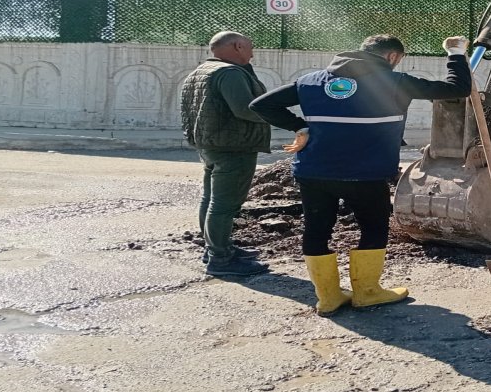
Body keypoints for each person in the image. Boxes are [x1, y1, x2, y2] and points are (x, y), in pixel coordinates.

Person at [250, 34, 471, 316]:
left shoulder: (312, 81)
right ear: (392, 57)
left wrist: (300, 127)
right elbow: (457, 89)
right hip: (366, 173)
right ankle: (367, 292)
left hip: (315, 171)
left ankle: (328, 297)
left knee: (316, 230)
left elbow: (261, 104)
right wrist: (455, 53)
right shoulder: (394, 82)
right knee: (373, 228)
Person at [179, 31, 272, 277]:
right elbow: (245, 109)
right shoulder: (229, 73)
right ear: (238, 46)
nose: (252, 54)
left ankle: (215, 249)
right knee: (224, 204)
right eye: (250, 48)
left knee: (211, 199)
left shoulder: (200, 71)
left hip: (210, 145)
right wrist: (282, 116)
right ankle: (220, 259)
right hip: (233, 146)